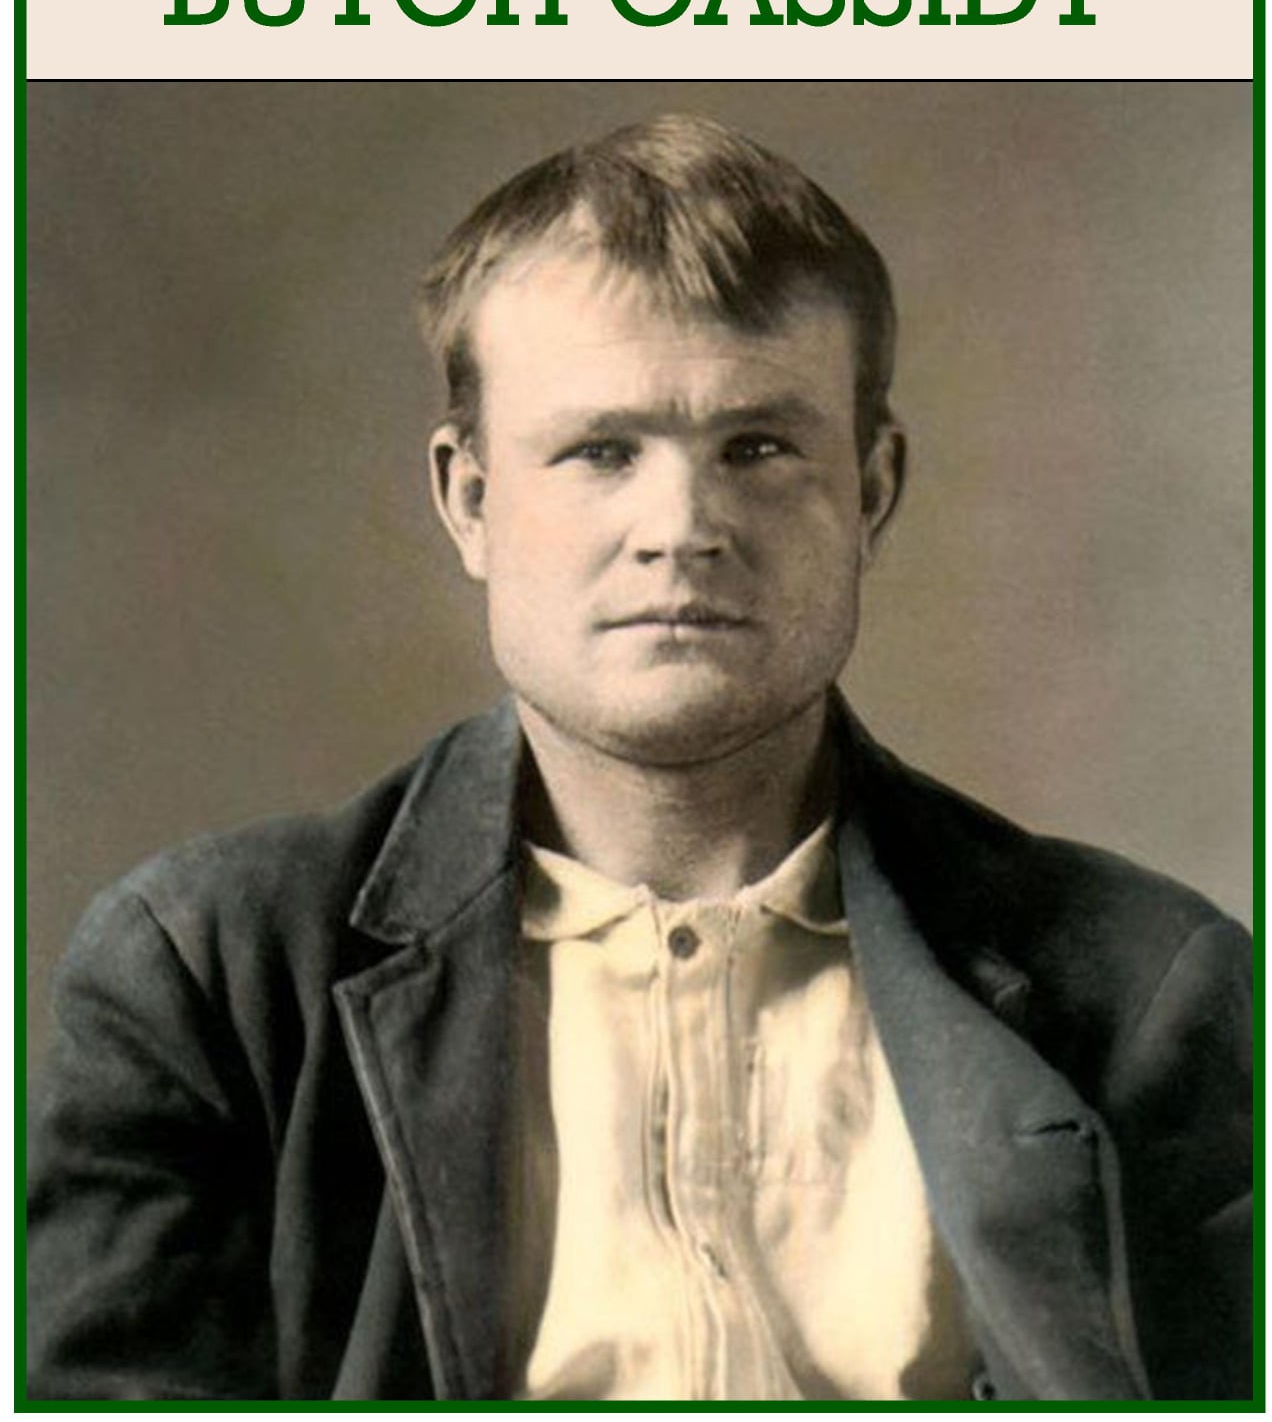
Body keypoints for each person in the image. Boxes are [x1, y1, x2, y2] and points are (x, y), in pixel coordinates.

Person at [26, 115, 1251, 1402]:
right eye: (601, 451)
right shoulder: (208, 976)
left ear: (873, 490)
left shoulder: (1152, 992)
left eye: (759, 448)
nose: (683, 527)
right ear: (470, 499)